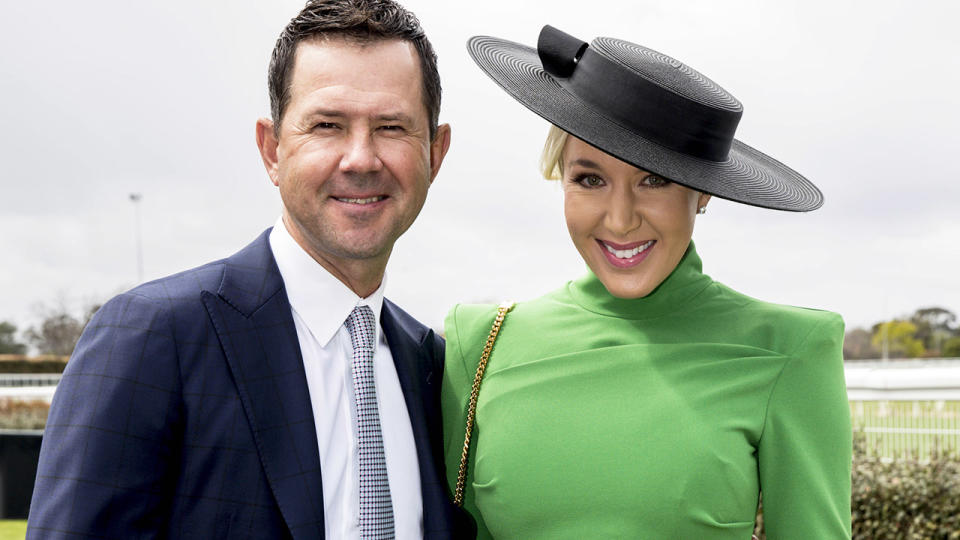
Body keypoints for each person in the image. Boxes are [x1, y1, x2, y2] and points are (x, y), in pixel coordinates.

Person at [27, 1, 474, 538]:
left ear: (436, 153)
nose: (361, 158)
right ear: (272, 150)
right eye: (327, 125)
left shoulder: (436, 368)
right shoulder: (152, 337)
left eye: (391, 126)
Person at [442, 25, 851, 539]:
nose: (619, 219)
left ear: (703, 193)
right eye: (589, 179)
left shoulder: (791, 350)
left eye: (653, 180)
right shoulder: (481, 342)